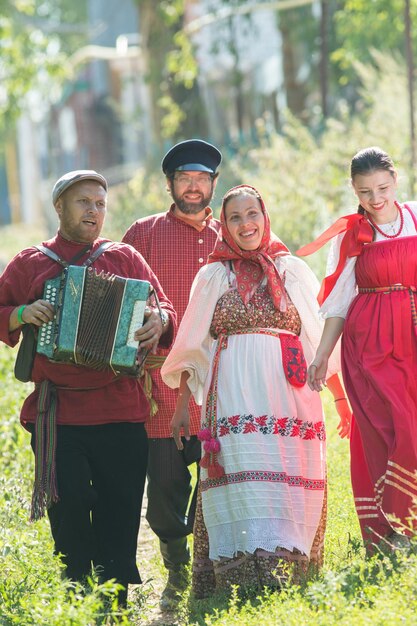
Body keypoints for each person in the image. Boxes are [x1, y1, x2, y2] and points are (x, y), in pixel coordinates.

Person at [161, 185, 350, 596]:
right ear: (223, 225)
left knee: (285, 476)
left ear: (265, 217)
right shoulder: (213, 275)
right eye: (235, 217)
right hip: (232, 393)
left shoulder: (292, 269)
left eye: (252, 214)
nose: (246, 224)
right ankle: (239, 576)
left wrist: (339, 397)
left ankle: (289, 573)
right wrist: (180, 406)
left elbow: (319, 338)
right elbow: (193, 342)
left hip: (290, 393)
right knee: (243, 476)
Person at [0, 170, 176, 606]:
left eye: (100, 203)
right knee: (70, 510)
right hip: (59, 416)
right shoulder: (30, 263)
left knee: (120, 514)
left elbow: (163, 306)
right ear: (59, 207)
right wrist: (22, 313)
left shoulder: (124, 257)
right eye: (83, 202)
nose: (93, 211)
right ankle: (78, 599)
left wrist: (161, 321)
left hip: (121, 409)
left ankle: (114, 607)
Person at [298, 146, 417, 552]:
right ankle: (398, 529)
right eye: (365, 191)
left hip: (413, 336)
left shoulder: (416, 216)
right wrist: (320, 356)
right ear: (354, 189)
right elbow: (337, 304)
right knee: (393, 426)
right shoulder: (352, 234)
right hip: (371, 344)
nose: (375, 198)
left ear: (395, 180)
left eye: (382, 187)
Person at [122, 139, 222, 609]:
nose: (194, 187)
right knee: (163, 486)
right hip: (158, 385)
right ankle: (175, 554)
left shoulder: (232, 234)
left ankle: (213, 563)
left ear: (213, 185)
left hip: (221, 384)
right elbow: (117, 299)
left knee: (218, 476)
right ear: (170, 184)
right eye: (185, 178)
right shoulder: (141, 235)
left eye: (202, 179)